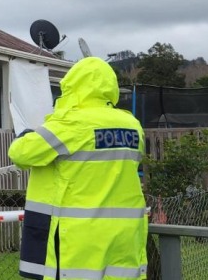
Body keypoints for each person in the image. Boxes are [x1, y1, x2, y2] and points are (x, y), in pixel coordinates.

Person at [8, 56, 147, 280]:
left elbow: (21, 153)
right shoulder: (133, 126)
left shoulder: (70, 124)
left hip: (79, 239)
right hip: (125, 236)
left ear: (72, 85)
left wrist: (28, 133)